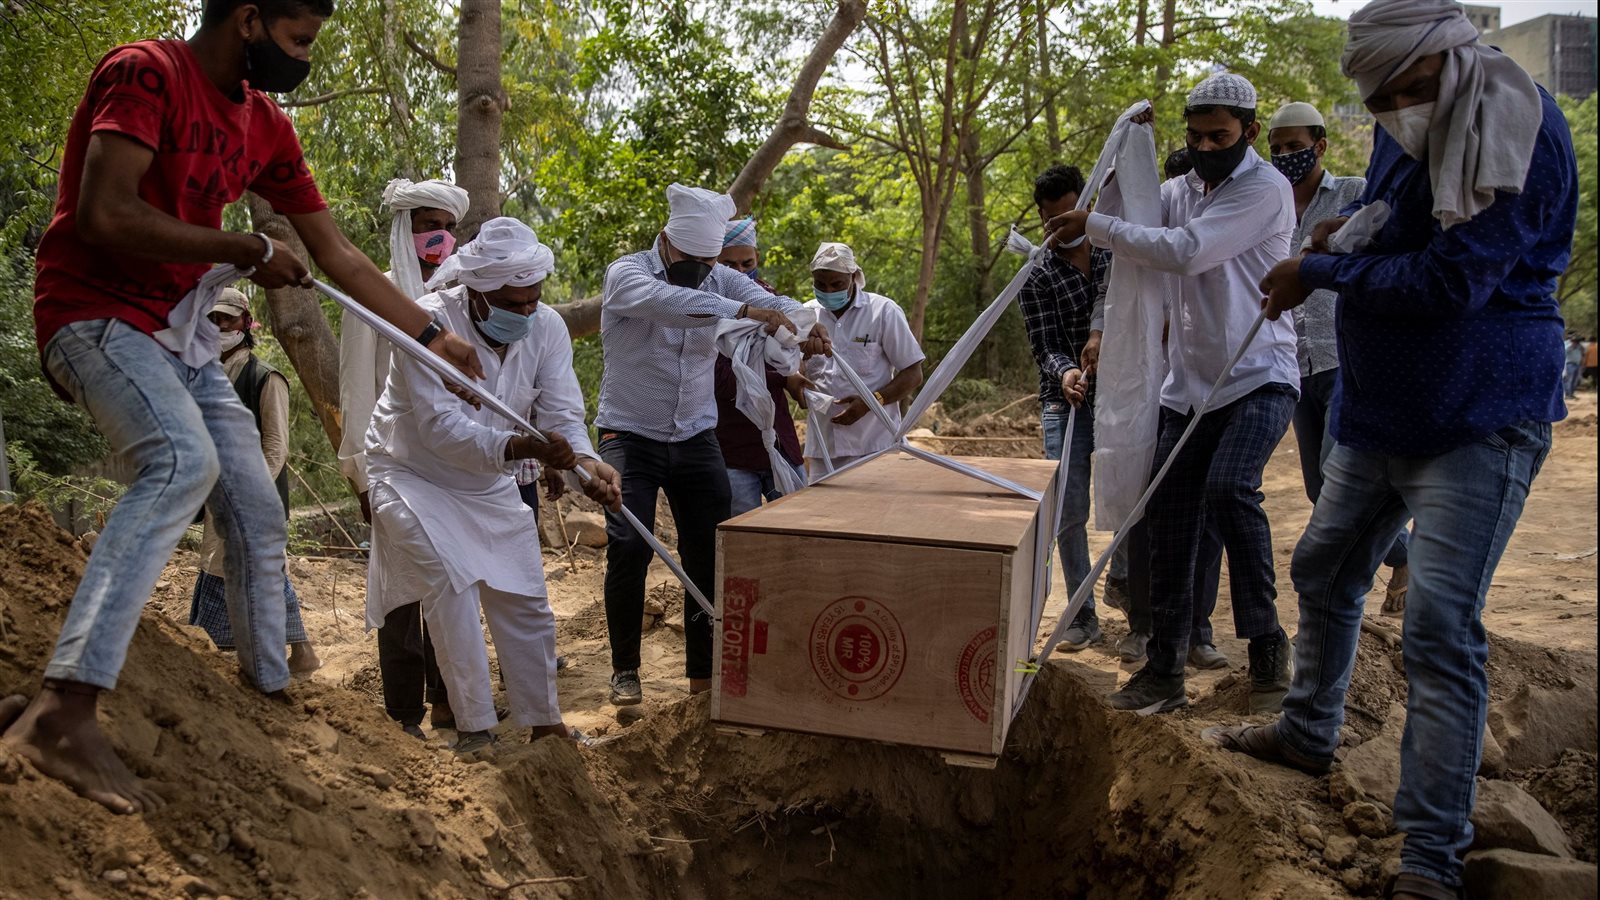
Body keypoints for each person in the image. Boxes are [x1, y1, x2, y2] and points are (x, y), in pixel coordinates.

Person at [0, 0, 484, 816]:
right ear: (251, 20)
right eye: (300, 40)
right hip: (92, 316)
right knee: (181, 464)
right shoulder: (144, 72)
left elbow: (338, 254)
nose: (305, 58)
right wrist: (245, 248)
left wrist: (432, 334)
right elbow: (104, 213)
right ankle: (66, 707)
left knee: (258, 509)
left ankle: (266, 696)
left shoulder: (266, 127)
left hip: (177, 336)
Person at [1210, 4, 1578, 897]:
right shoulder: (1400, 122)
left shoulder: (1517, 132)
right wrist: (1346, 235)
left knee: (1439, 630)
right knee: (1325, 568)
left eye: (1409, 92)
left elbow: (1455, 279)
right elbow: (1392, 214)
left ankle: (1429, 851)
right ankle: (1308, 730)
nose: (1397, 112)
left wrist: (1321, 270)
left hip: (1478, 414)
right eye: (1379, 101)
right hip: (1382, 411)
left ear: (1449, 62)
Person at [1048, 72, 1299, 716]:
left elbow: (1186, 252)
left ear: (1250, 131)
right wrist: (1129, 143)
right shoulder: (1180, 189)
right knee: (1167, 520)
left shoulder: (1264, 190)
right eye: (1195, 136)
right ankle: (1164, 668)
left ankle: (1269, 652)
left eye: (1220, 135)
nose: (1207, 146)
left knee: (1229, 489)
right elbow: (1132, 211)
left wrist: (1097, 224)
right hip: (1186, 388)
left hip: (1257, 374)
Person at [365, 218, 622, 753]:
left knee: (525, 596)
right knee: (450, 586)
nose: (525, 313)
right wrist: (527, 448)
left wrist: (586, 465)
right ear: (477, 294)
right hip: (412, 473)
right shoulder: (430, 324)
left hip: (487, 481)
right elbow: (440, 430)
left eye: (533, 301)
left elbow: (562, 413)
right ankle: (474, 728)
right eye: (513, 303)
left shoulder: (546, 327)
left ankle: (545, 723)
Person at [596, 185, 830, 706]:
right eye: (691, 260)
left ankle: (703, 676)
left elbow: (775, 304)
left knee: (708, 550)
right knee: (629, 544)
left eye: (708, 261)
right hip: (629, 432)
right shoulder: (628, 274)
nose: (701, 270)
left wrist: (806, 327)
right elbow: (672, 303)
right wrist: (744, 307)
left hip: (696, 434)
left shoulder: (719, 275)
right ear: (666, 242)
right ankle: (625, 669)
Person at [1267, 101, 1411, 618]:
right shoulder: (1270, 205)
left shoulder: (1352, 192)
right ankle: (1405, 555)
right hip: (1293, 365)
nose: (1285, 156)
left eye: (1295, 146)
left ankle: (1381, 570)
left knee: (1335, 475)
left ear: (1320, 146)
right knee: (1316, 487)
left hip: (1345, 357)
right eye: (1277, 148)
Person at [338, 177, 470, 738]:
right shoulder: (375, 291)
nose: (436, 236)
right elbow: (356, 389)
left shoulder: (465, 292)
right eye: (424, 224)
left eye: (445, 225)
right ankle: (402, 713)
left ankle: (450, 701)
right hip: (390, 461)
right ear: (403, 228)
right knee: (399, 594)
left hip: (451, 464)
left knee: (454, 581)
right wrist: (362, 475)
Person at [186, 287, 320, 675]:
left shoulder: (265, 377)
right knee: (247, 566)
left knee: (233, 566)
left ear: (246, 322)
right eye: (212, 319)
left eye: (227, 318)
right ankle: (300, 650)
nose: (220, 326)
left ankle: (222, 646)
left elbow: (276, 446)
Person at [1018, 165, 1110, 651]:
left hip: (1121, 398)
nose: (1058, 231)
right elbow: (1045, 343)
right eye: (1049, 223)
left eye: (1067, 218)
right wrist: (1067, 373)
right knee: (1069, 512)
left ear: (1088, 207)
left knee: (1134, 497)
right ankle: (1081, 614)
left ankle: (1136, 602)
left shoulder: (1118, 252)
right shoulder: (1036, 272)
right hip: (1064, 402)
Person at [802, 242, 925, 474]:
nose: (828, 291)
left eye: (837, 284)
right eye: (821, 284)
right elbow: (792, 368)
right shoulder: (805, 315)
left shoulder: (883, 312)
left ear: (854, 277)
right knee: (823, 510)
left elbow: (913, 373)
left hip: (876, 446)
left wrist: (872, 401)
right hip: (824, 448)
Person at [714, 216, 808, 515]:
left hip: (779, 441)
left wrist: (795, 375)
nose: (740, 272)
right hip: (731, 447)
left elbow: (790, 351)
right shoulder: (702, 306)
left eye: (747, 263)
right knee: (744, 538)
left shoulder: (771, 300)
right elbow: (721, 378)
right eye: (729, 265)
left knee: (798, 527)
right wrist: (781, 378)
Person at [1564, 334, 1584, 399]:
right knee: (1570, 380)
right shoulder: (1568, 347)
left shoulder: (1579, 347)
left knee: (1575, 380)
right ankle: (1568, 394)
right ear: (1572, 341)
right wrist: (1572, 346)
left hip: (1577, 364)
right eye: (1576, 341)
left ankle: (1571, 393)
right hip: (1570, 364)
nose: (1577, 343)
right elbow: (1565, 352)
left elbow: (1582, 353)